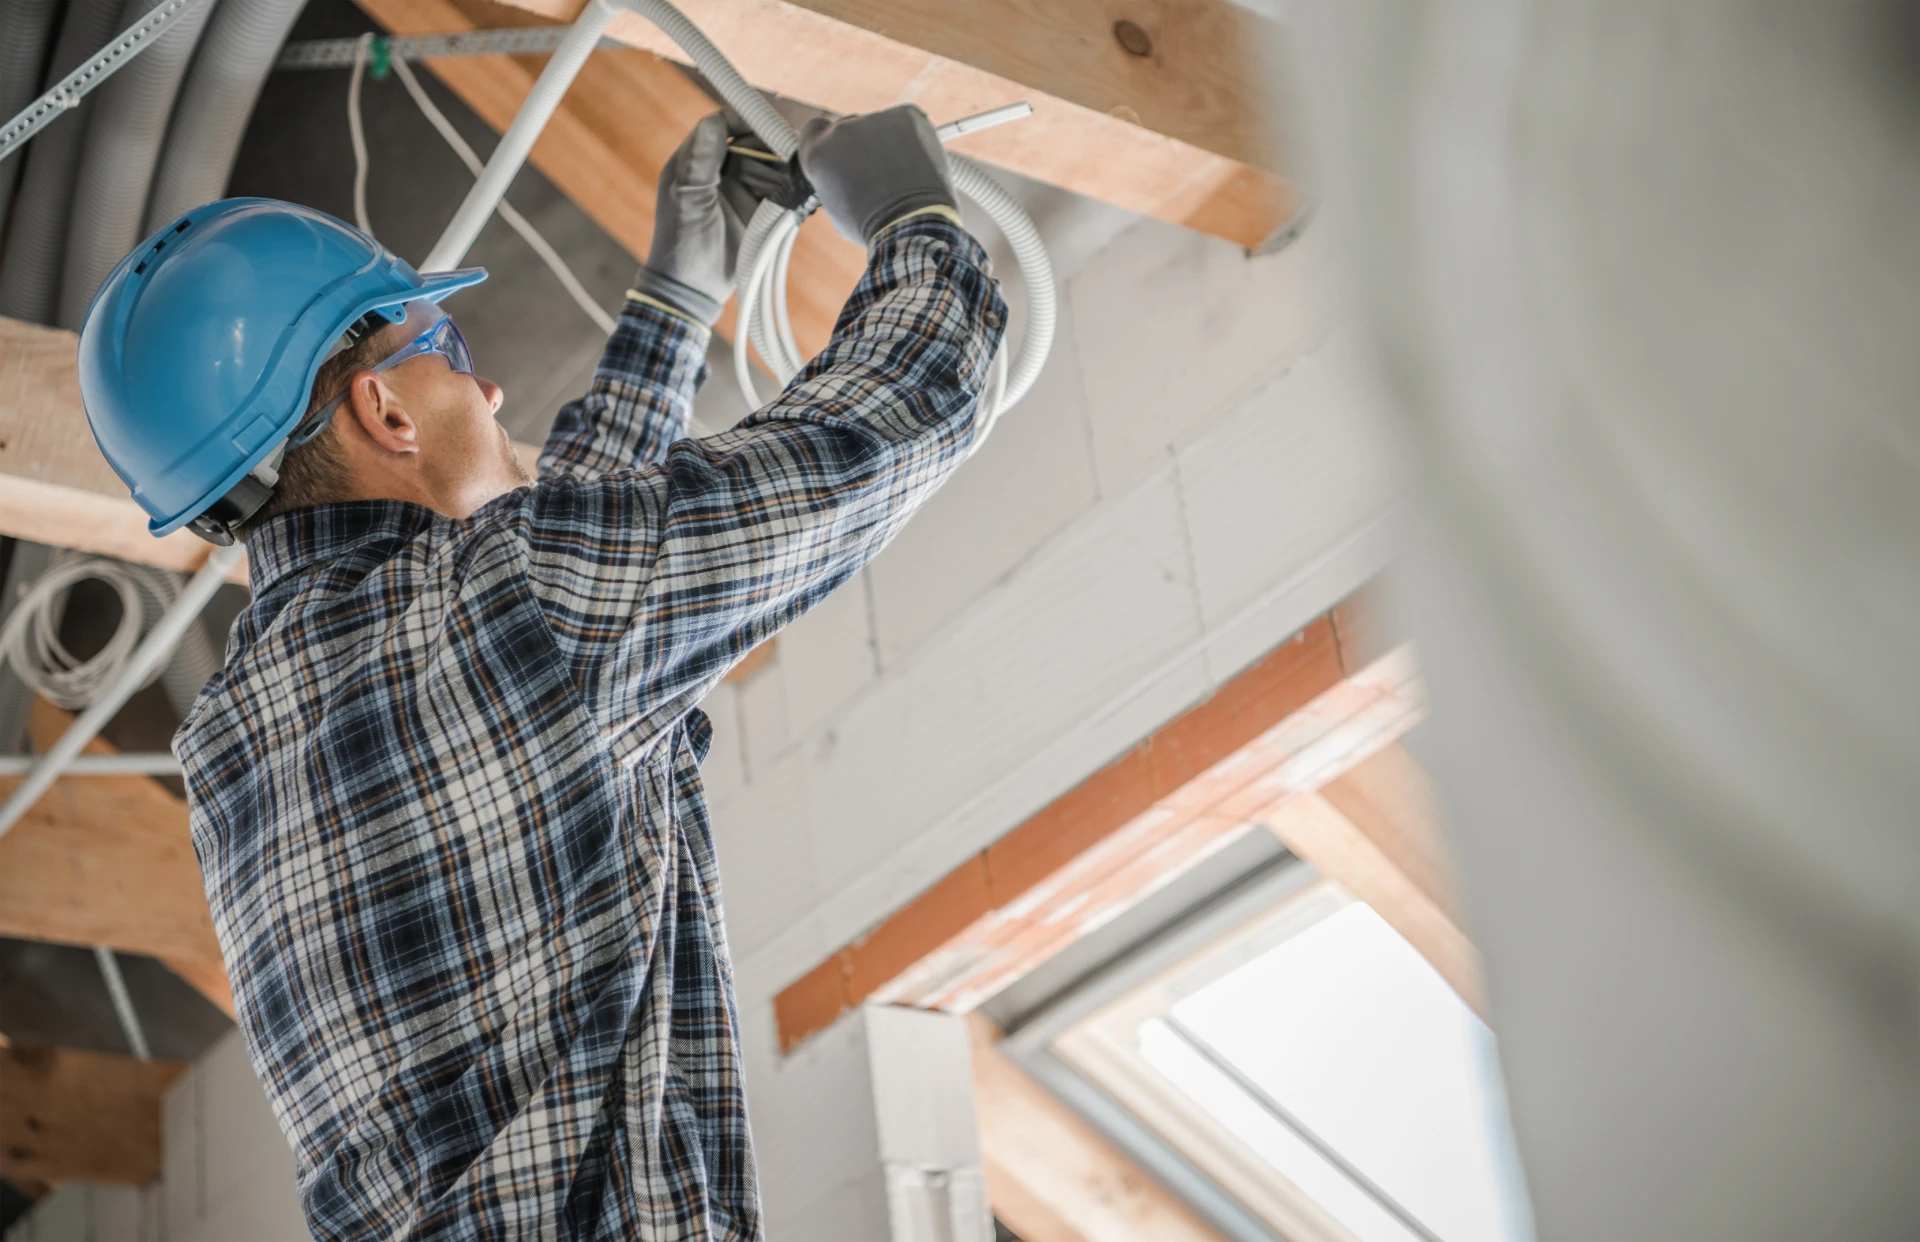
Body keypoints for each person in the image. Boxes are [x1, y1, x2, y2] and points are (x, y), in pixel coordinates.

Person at [77, 105, 1004, 1239]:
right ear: (384, 408)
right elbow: (906, 410)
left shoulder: (235, 739)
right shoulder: (517, 615)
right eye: (448, 354)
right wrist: (914, 215)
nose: (493, 393)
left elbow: (552, 618)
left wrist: (674, 302)